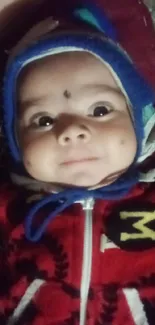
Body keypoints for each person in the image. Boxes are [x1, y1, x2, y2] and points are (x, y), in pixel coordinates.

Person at [1, 1, 155, 325]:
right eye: (42, 119)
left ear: (140, 123)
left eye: (100, 110)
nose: (71, 131)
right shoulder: (7, 211)